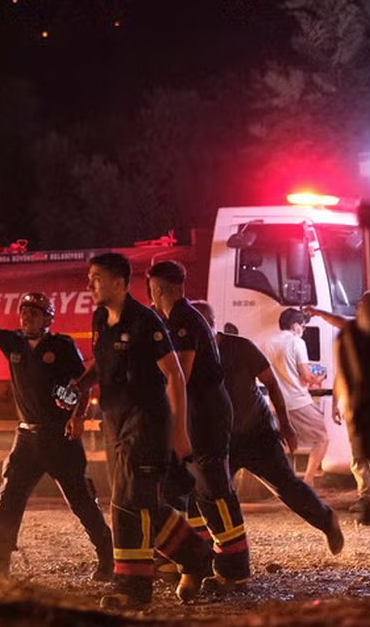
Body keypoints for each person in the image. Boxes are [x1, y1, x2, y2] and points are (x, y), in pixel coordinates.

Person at [68, 253, 213, 610]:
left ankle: (132, 590)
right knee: (139, 503)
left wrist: (179, 434)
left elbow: (175, 374)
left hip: (147, 423)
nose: (89, 285)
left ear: (119, 282)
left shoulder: (146, 321)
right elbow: (102, 368)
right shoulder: (100, 318)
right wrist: (80, 390)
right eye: (89, 277)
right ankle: (195, 555)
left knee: (128, 505)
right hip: (114, 425)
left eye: (97, 278)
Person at [0, 274, 113, 581]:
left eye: (34, 313)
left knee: (80, 498)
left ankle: (108, 556)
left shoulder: (62, 346)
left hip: (58, 437)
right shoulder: (13, 343)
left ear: (47, 319)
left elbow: (84, 385)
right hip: (26, 436)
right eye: (24, 311)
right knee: (10, 494)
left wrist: (78, 417)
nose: (27, 317)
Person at [193, 301, 344, 554]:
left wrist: (285, 425)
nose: (203, 329)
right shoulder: (191, 355)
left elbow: (271, 383)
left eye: (206, 322)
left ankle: (327, 521)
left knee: (286, 486)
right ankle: (211, 552)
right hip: (220, 440)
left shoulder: (240, 347)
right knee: (209, 494)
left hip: (257, 433)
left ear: (213, 323)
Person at [147, 261, 250, 594]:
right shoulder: (184, 317)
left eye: (150, 286)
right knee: (204, 494)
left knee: (216, 491)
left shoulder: (182, 321)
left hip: (206, 417)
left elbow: (182, 372)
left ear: (158, 287)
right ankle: (221, 566)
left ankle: (234, 572)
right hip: (203, 415)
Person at [302, 303, 370, 522]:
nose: (359, 312)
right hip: (356, 407)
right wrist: (335, 405)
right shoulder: (355, 338)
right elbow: (342, 373)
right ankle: (365, 497)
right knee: (359, 455)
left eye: (363, 308)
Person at [265, 308, 329, 485]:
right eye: (304, 326)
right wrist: (317, 379)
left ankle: (286, 484)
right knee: (322, 438)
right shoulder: (296, 342)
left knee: (284, 444)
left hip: (275, 403)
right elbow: (306, 375)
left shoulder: (268, 343)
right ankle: (308, 481)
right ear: (296, 326)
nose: (304, 330)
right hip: (298, 401)